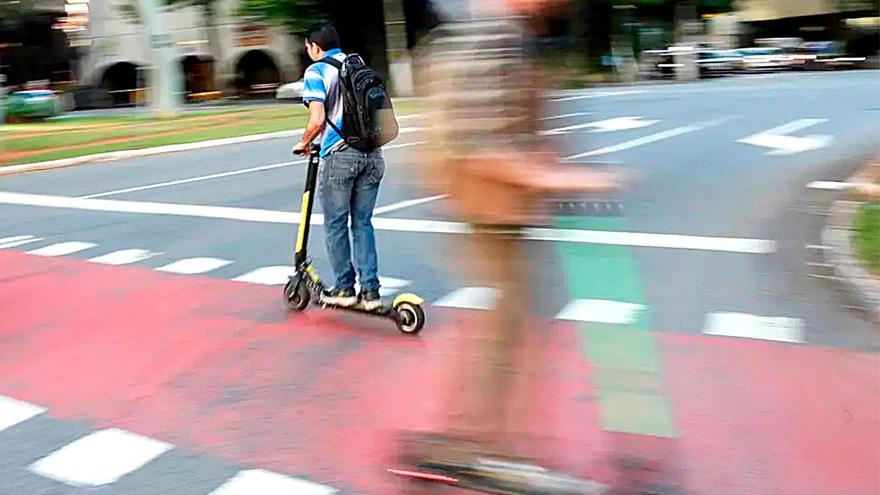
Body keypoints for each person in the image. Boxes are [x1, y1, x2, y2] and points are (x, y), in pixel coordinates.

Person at [401, 0, 623, 487]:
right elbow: (476, 145)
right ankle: (482, 449)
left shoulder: (511, 33)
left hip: (496, 205)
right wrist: (561, 180)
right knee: (506, 326)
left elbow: (506, 127)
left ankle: (464, 443)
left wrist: (547, 166)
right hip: (486, 205)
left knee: (506, 322)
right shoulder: (493, 36)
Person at [293, 24, 385, 310]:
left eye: (308, 46)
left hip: (340, 155)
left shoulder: (316, 71)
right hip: (373, 154)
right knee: (362, 223)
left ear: (314, 47)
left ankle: (345, 288)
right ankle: (370, 291)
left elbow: (317, 119)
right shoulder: (356, 65)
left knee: (335, 224)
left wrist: (303, 142)